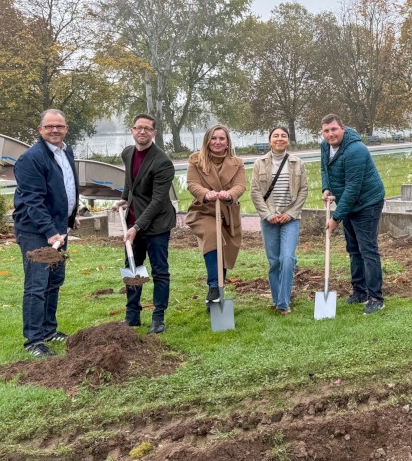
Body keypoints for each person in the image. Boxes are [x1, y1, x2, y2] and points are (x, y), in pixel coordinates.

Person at [12, 109, 78, 357]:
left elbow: (66, 186)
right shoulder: (31, 159)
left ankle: (49, 330)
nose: (54, 130)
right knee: (37, 284)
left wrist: (70, 217)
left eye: (59, 126)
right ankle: (33, 340)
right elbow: (33, 201)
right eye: (49, 126)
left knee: (54, 280)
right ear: (40, 130)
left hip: (58, 229)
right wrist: (50, 232)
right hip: (36, 231)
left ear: (66, 129)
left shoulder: (66, 151)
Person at [113, 113, 177, 334]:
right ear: (132, 130)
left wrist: (137, 227)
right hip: (133, 221)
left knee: (160, 271)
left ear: (154, 133)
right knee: (133, 267)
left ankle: (158, 318)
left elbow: (158, 201)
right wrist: (124, 198)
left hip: (157, 225)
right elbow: (130, 181)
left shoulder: (163, 162)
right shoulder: (127, 153)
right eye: (138, 127)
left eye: (147, 128)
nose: (142, 131)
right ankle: (132, 316)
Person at [320, 114, 386, 315]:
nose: (330, 134)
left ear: (343, 128)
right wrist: (326, 188)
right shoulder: (325, 146)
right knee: (353, 248)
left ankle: (376, 298)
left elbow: (352, 188)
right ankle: (360, 292)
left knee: (367, 249)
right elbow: (325, 169)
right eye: (326, 131)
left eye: (334, 129)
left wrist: (336, 218)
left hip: (367, 202)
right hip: (348, 202)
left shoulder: (356, 150)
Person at [184, 125, 246, 306]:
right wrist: (206, 193)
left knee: (224, 252)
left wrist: (230, 194)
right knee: (213, 235)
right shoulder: (196, 160)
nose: (217, 142)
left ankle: (217, 294)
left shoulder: (237, 163)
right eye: (213, 138)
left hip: (228, 212)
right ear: (207, 140)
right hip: (204, 210)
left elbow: (240, 185)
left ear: (227, 142)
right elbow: (192, 184)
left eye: (221, 138)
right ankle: (213, 286)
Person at [250, 126, 308, 315]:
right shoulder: (259, 163)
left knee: (287, 258)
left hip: (290, 218)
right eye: (276, 136)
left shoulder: (297, 163)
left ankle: (283, 303)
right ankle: (277, 300)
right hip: (269, 219)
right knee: (274, 261)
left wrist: (290, 213)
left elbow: (303, 190)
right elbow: (255, 192)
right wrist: (268, 215)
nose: (280, 138)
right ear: (270, 141)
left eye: (283, 136)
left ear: (288, 140)